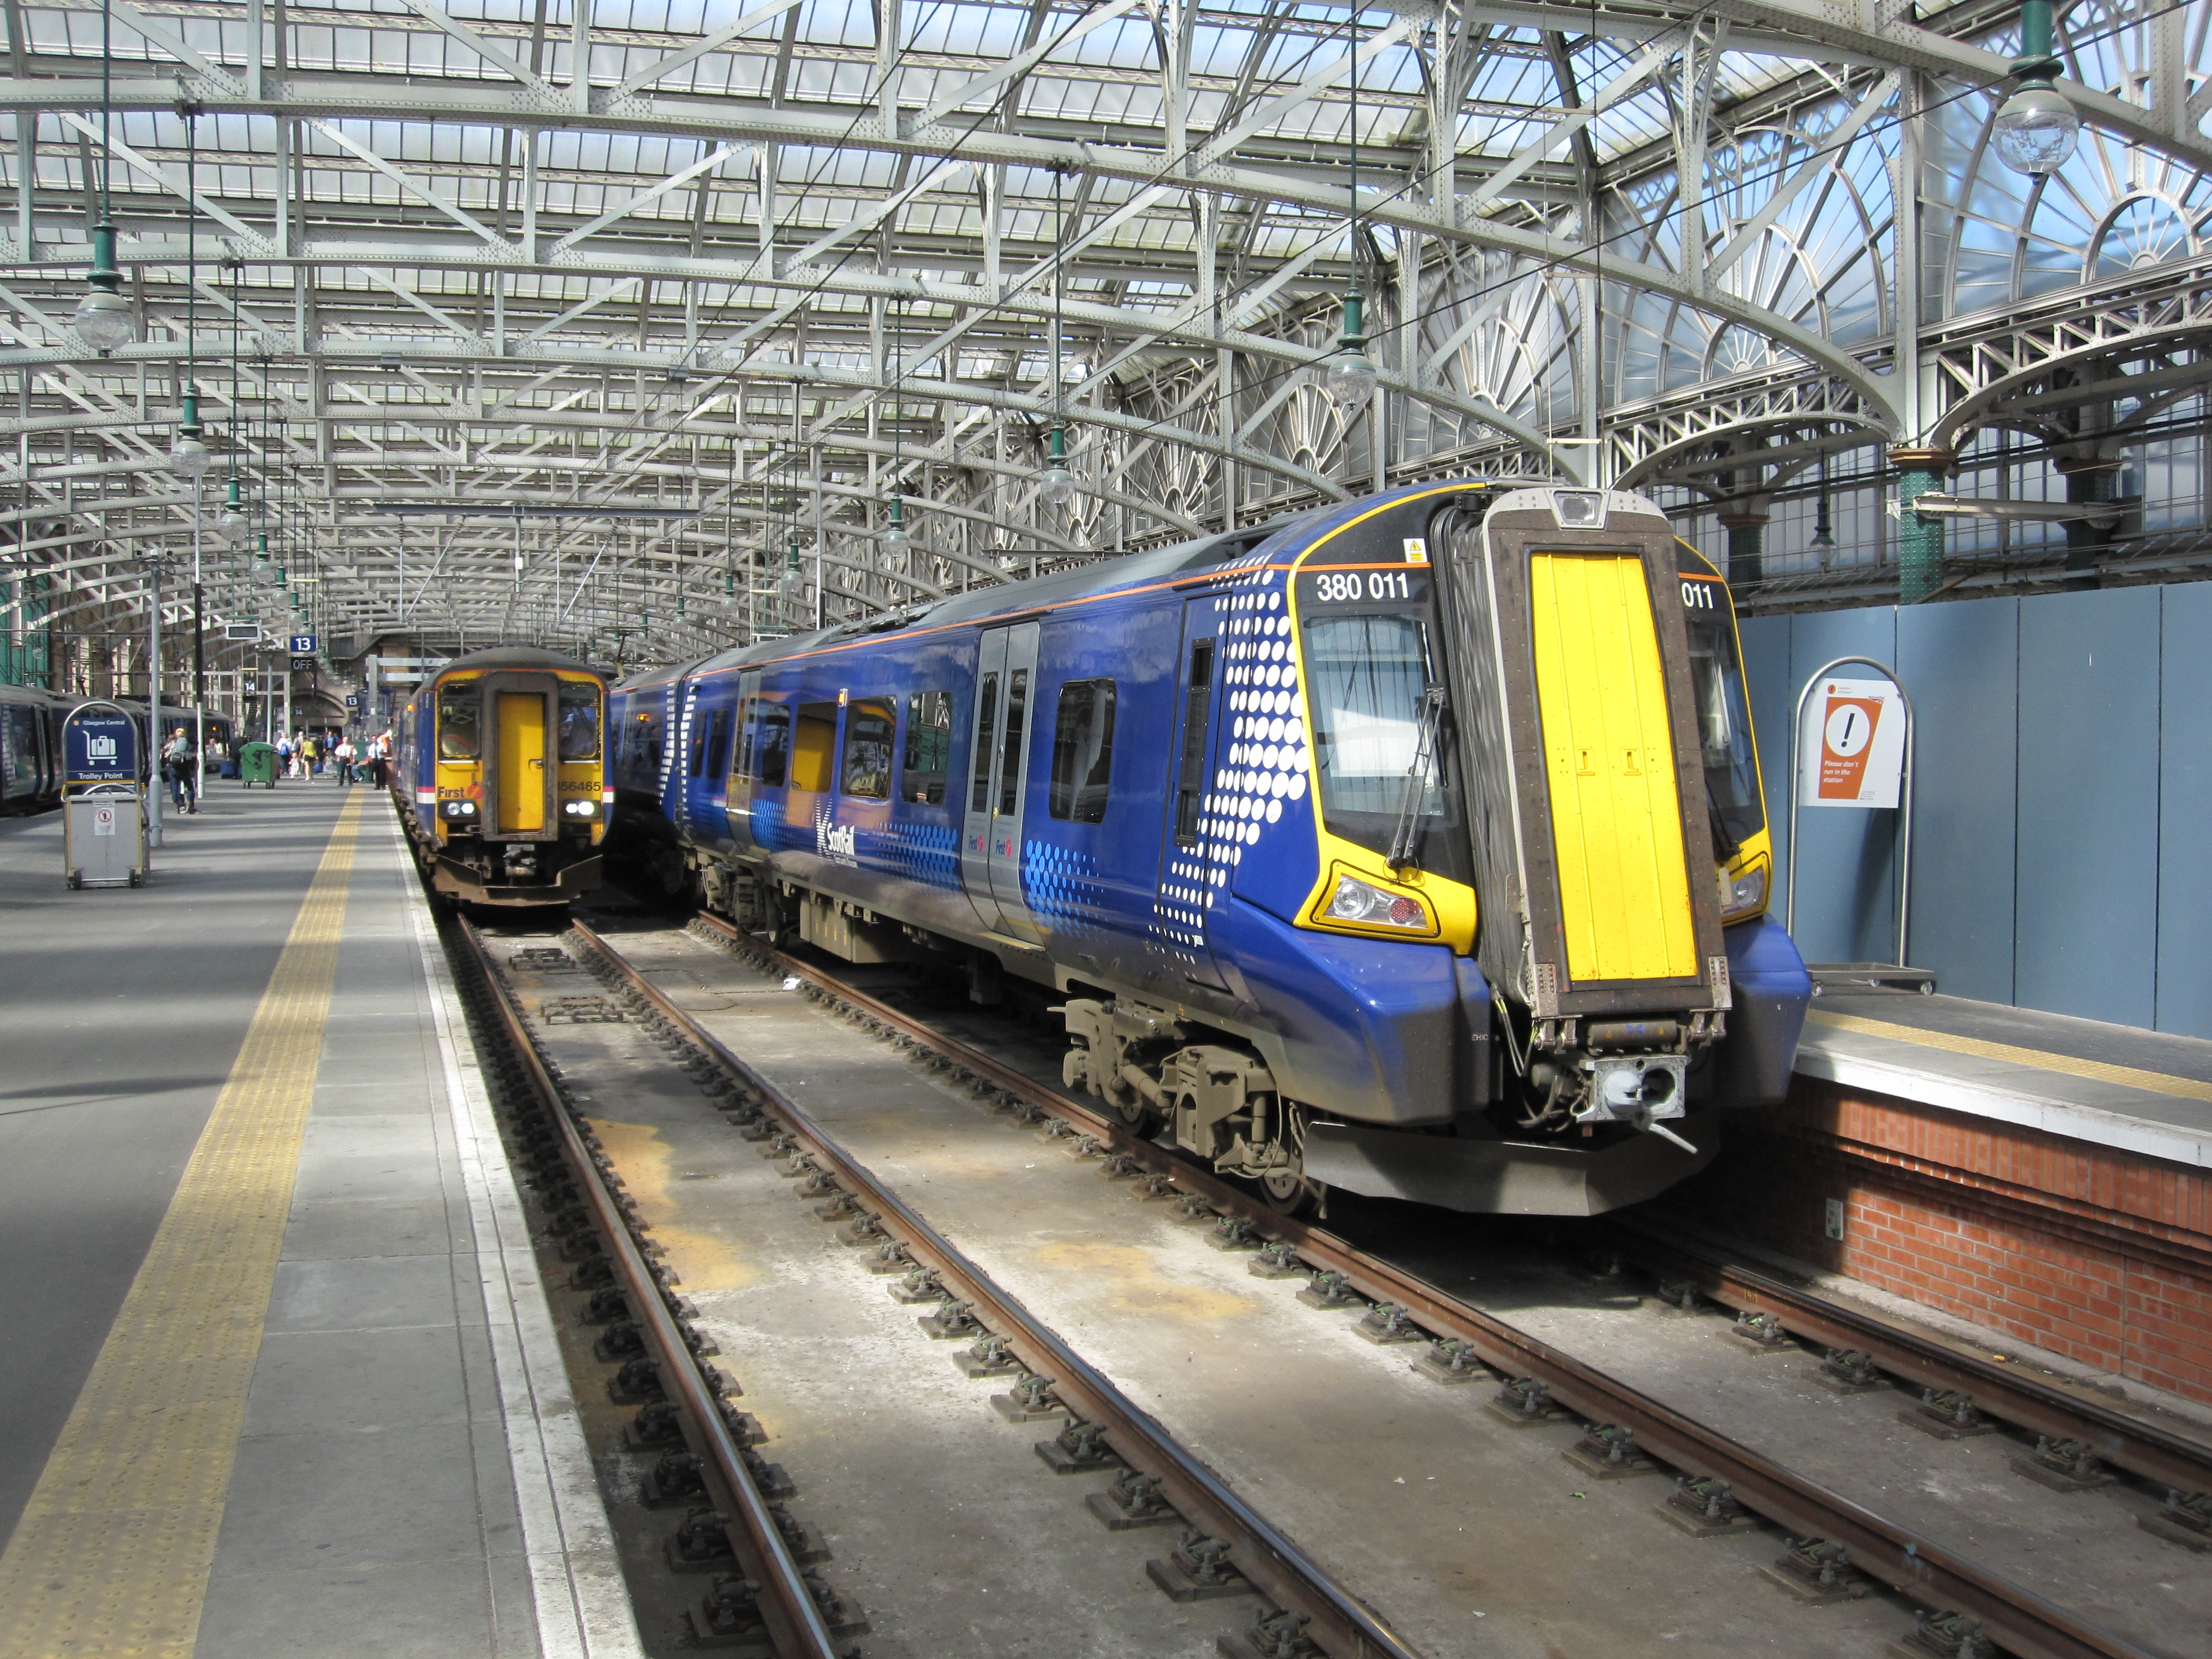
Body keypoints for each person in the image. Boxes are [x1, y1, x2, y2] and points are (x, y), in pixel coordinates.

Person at [162, 726, 196, 814]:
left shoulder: (173, 743)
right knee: (189, 787)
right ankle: (190, 805)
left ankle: (177, 806)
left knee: (175, 788)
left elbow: (165, 755)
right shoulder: (189, 744)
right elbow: (192, 757)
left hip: (174, 769)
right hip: (185, 769)